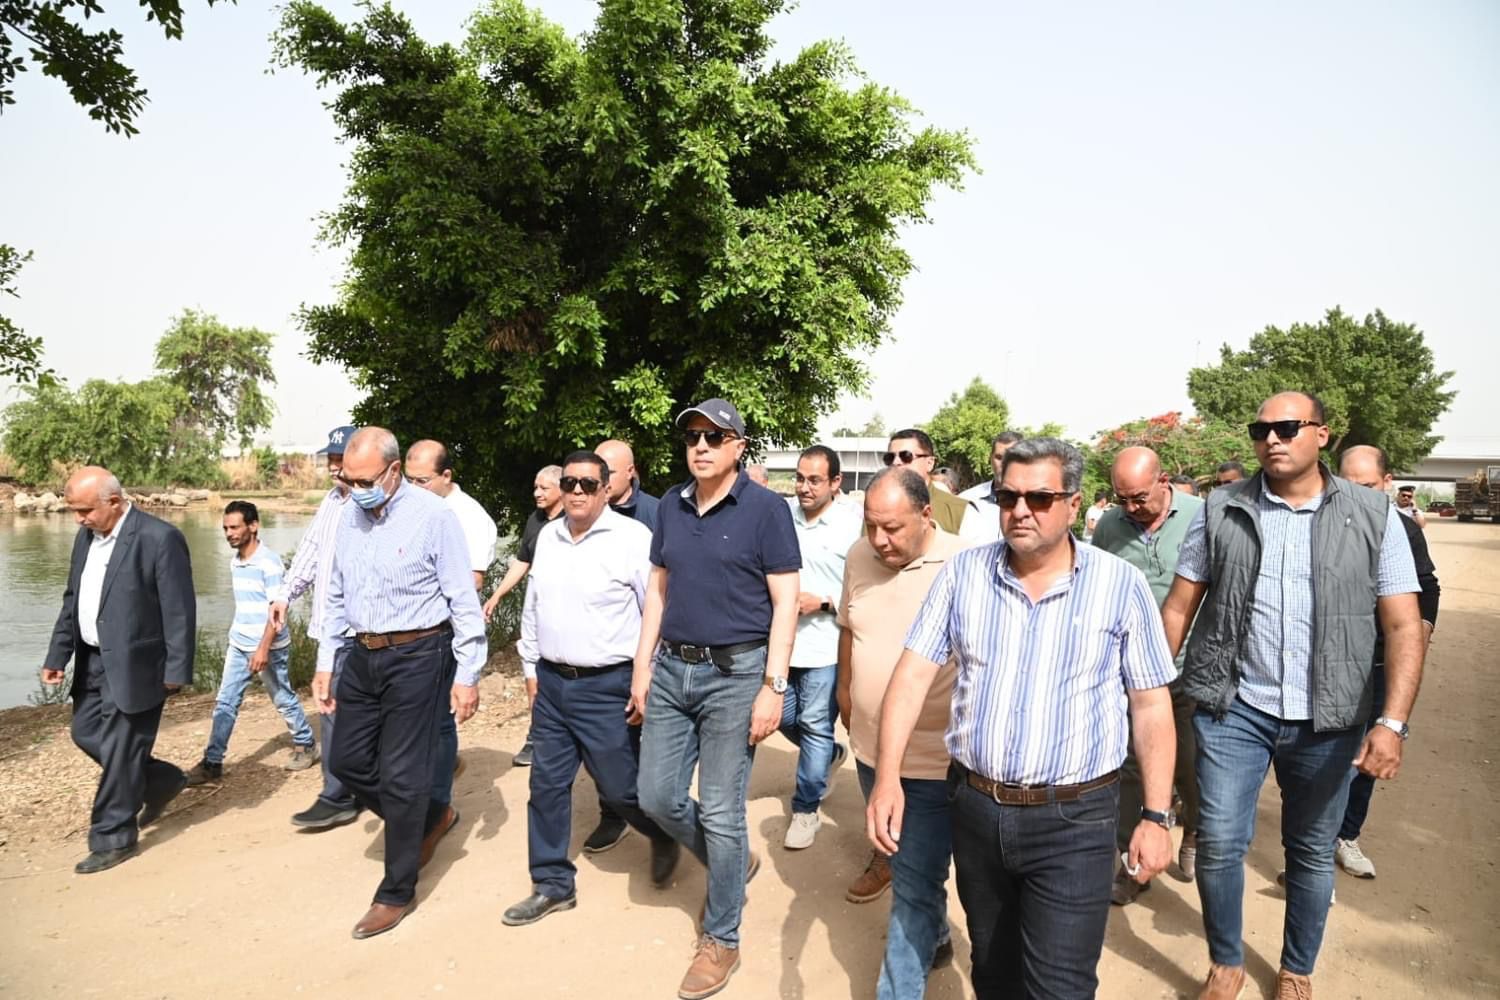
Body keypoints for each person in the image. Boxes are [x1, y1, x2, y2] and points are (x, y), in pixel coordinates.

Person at [869, 438, 1179, 998]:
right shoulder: (964, 575)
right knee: (994, 970)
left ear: (1074, 504)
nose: (1020, 510)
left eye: (1039, 498)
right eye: (1008, 496)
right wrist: (887, 778)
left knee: (1060, 986)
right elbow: (911, 677)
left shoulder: (1119, 585)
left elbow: (1151, 703)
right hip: (977, 809)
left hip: (1075, 819)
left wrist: (1156, 816)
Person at [1160, 392, 1424, 1000]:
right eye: (1261, 430)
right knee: (1219, 841)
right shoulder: (1222, 508)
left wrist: (1392, 723)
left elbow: (1404, 624)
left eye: (1286, 427)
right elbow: (1179, 606)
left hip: (1330, 718)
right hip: (1234, 708)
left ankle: (1296, 967)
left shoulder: (1372, 514)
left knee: (1309, 849)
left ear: (1322, 434)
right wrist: (1143, 690)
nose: (1272, 439)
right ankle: (1226, 961)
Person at [631, 398, 801, 1000]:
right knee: (655, 796)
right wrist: (642, 667)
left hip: (737, 674)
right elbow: (658, 589)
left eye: (713, 437)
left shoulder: (766, 510)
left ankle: (722, 937)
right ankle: (732, 861)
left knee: (722, 810)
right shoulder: (671, 506)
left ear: (738, 447)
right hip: (672, 669)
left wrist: (773, 687)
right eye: (692, 438)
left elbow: (786, 602)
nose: (700, 447)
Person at [320, 427, 488, 939]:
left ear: (394, 471)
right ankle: (430, 814)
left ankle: (396, 891)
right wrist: (326, 660)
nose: (355, 490)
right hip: (361, 654)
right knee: (346, 760)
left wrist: (467, 673)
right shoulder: (349, 515)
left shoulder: (434, 517)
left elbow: (463, 599)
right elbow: (335, 591)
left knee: (401, 774)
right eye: (348, 481)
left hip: (420, 654)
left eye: (364, 481)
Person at [502, 451, 681, 926]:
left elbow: (655, 612)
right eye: (570, 483)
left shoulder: (632, 539)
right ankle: (552, 884)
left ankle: (662, 831)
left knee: (622, 788)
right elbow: (534, 606)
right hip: (553, 684)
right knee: (545, 785)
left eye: (588, 484)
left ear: (606, 490)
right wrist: (530, 668)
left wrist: (647, 677)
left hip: (609, 686)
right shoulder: (549, 538)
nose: (577, 491)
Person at [838, 468, 966, 997]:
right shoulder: (857, 556)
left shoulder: (966, 563)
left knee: (913, 882)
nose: (879, 540)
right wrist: (844, 691)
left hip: (936, 761)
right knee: (910, 866)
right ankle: (938, 938)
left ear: (927, 515)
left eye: (892, 528)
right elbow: (849, 628)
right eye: (871, 526)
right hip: (871, 752)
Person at [41, 467, 195, 873]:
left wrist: (177, 669)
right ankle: (159, 781)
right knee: (85, 732)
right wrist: (58, 655)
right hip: (92, 661)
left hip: (138, 664)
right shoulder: (85, 538)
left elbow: (179, 609)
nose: (78, 519)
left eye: (84, 510)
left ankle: (114, 837)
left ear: (113, 501)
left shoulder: (158, 538)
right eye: (74, 511)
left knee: (123, 750)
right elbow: (73, 600)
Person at [1091, 447, 1204, 905]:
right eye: (1123, 499)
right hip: (1131, 671)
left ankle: (1194, 827)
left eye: (1139, 497)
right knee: (1130, 765)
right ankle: (1131, 863)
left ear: (1164, 480)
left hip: (1190, 668)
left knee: (1192, 764)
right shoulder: (1110, 526)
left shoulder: (1201, 516)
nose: (1132, 507)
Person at [1332, 447, 1439, 881]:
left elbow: (1427, 590)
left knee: (1368, 756)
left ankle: (1346, 835)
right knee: (1321, 759)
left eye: (1368, 486)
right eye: (1348, 486)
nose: (1358, 495)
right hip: (1331, 663)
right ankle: (1311, 850)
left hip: (1379, 666)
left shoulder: (1403, 530)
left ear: (1387, 482)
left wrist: (1417, 640)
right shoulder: (1322, 525)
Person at [184, 500, 316, 785]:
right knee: (225, 702)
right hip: (239, 643)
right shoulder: (236, 561)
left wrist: (263, 649)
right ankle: (213, 762)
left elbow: (277, 611)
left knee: (282, 698)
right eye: (225, 528)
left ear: (253, 526)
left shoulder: (269, 563)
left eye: (234, 527)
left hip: (269, 646)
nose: (229, 533)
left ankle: (306, 743)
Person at [404, 440, 498, 828]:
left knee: (441, 718)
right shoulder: (407, 508)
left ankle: (438, 807)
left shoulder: (470, 518)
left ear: (446, 476)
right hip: (408, 633)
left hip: (444, 631)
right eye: (408, 480)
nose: (413, 488)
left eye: (422, 481)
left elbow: (471, 582)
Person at [275, 425, 362, 830]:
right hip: (331, 630)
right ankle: (344, 791)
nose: (332, 466)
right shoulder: (331, 502)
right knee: (335, 709)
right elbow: (310, 552)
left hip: (358, 631)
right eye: (330, 458)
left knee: (337, 711)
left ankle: (340, 795)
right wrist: (284, 595)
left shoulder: (369, 505)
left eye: (339, 458)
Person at [581, 437, 661, 853]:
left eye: (610, 471)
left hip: (643, 651)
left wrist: (651, 660)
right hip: (597, 656)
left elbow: (661, 593)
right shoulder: (581, 515)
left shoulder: (655, 515)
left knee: (642, 737)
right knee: (604, 744)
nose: (602, 479)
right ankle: (613, 814)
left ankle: (657, 814)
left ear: (631, 472)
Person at [779, 445, 860, 850]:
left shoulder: (854, 525)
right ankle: (826, 755)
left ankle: (805, 809)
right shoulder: (781, 517)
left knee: (814, 724)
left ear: (835, 482)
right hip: (780, 645)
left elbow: (865, 589)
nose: (804, 487)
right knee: (779, 717)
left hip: (826, 648)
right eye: (799, 478)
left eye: (814, 480)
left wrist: (825, 602)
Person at [483, 464, 563, 767]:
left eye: (544, 488)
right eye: (535, 487)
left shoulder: (575, 521)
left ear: (561, 489)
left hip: (565, 608)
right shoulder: (535, 520)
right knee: (531, 664)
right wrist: (497, 595)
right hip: (536, 604)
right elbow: (522, 561)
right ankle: (537, 734)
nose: (537, 493)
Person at [882, 428, 989, 541]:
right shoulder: (876, 509)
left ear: (930, 463)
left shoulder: (961, 512)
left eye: (906, 456)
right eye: (890, 458)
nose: (896, 463)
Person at [598, 438, 661, 531]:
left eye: (608, 473)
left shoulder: (657, 514)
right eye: (596, 473)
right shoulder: (583, 512)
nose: (600, 479)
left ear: (630, 471)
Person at [958, 431, 1024, 506]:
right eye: (999, 458)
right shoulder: (966, 500)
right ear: (990, 459)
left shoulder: (1035, 501)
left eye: (1011, 458)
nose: (1004, 464)